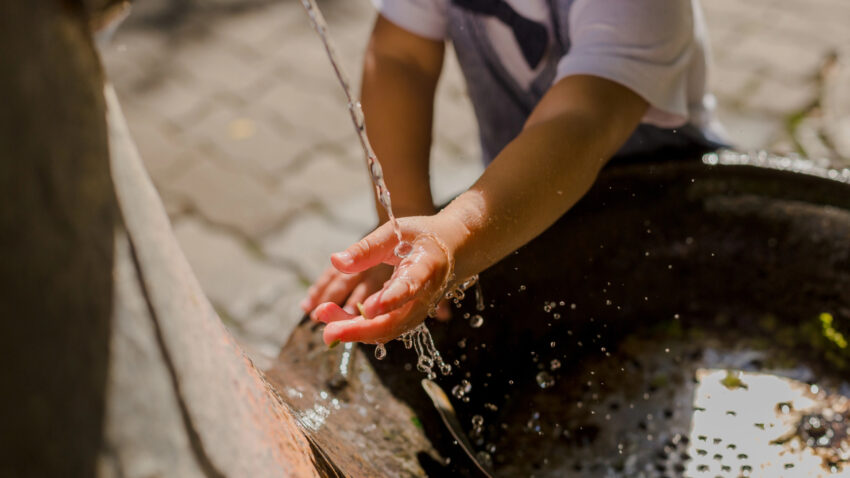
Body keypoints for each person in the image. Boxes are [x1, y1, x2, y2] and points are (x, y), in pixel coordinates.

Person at [299, 0, 728, 346]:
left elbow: (581, 120)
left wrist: (454, 236)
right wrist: (404, 223)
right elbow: (401, 56)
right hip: (521, 203)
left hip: (666, 206)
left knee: (669, 335)